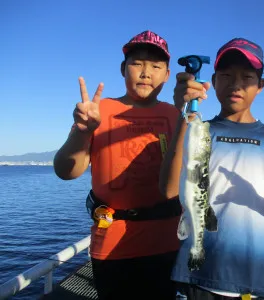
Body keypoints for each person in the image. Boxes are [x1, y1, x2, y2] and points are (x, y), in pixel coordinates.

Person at [159, 37, 264, 299]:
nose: (236, 84)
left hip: (263, 278)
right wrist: (182, 112)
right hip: (199, 275)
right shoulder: (198, 131)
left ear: (261, 85)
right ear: (213, 81)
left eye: (247, 77)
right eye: (226, 75)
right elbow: (169, 189)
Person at [53, 30, 181, 299]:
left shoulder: (176, 115)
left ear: (167, 75)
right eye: (137, 64)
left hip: (167, 243)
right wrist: (82, 131)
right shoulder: (99, 111)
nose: (146, 73)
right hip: (110, 245)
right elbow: (66, 171)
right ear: (123, 69)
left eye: (156, 66)